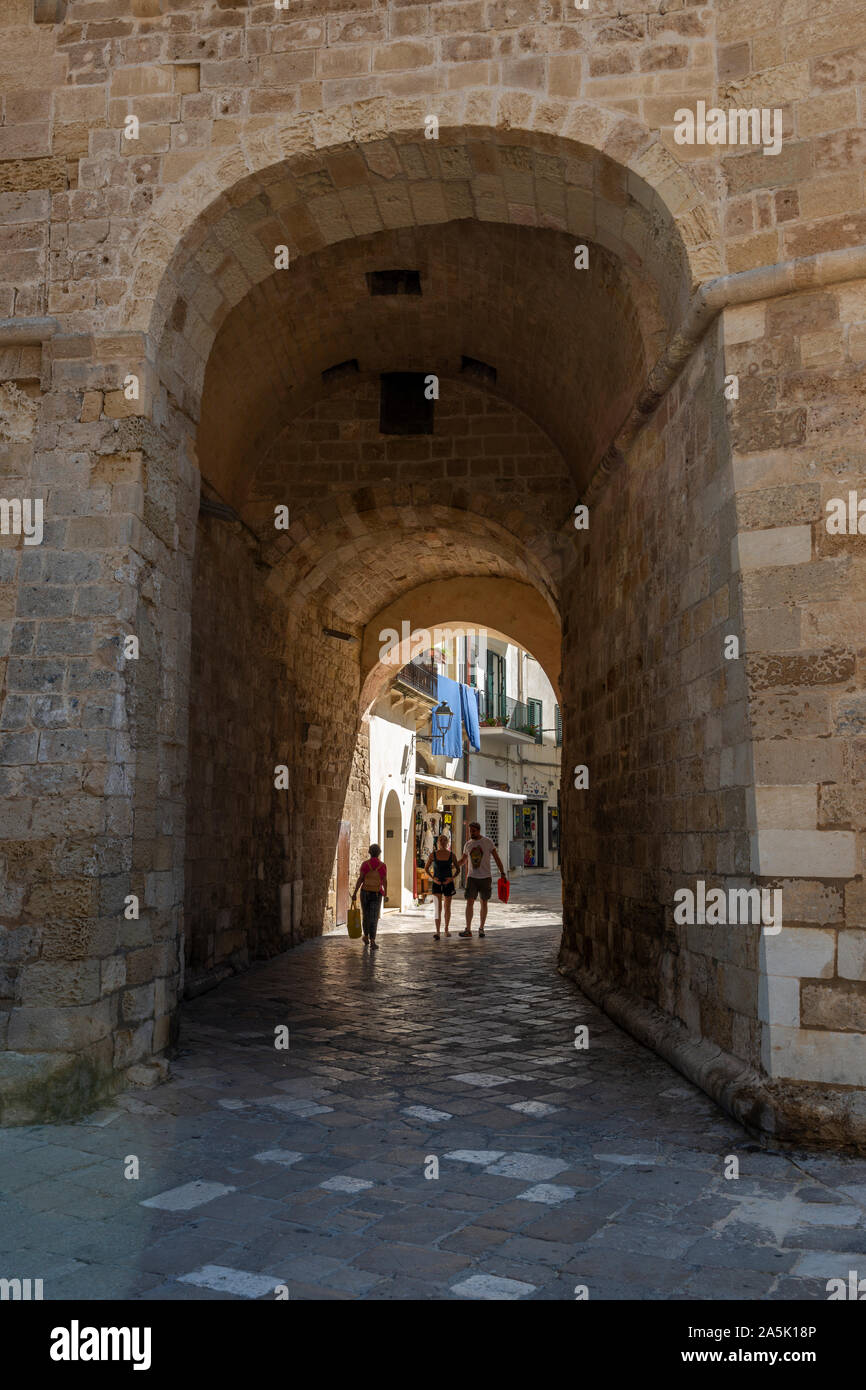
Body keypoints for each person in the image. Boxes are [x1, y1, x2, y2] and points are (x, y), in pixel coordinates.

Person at [456, 821, 506, 939]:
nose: (471, 833)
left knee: (484, 902)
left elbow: (496, 858)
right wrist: (454, 866)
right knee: (469, 902)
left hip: (485, 877)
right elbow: (463, 860)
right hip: (472, 877)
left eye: (473, 831)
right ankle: (468, 929)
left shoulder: (487, 842)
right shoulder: (468, 844)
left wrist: (502, 872)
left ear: (478, 830)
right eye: (470, 831)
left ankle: (481, 928)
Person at [351, 843, 387, 950]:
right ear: (379, 853)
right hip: (377, 893)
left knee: (366, 915)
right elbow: (384, 880)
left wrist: (355, 892)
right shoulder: (383, 866)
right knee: (374, 917)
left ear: (369, 853)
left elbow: (360, 879)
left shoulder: (365, 864)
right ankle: (373, 940)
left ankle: (365, 936)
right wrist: (386, 892)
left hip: (365, 892)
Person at [424, 834, 459, 939]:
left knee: (447, 907)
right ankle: (437, 931)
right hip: (437, 883)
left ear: (447, 842)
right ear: (437, 842)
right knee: (437, 908)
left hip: (448, 883)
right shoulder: (432, 855)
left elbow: (458, 869)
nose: (442, 842)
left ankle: (446, 929)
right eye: (440, 840)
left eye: (444, 840)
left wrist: (451, 878)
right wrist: (433, 878)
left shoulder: (452, 855)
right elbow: (426, 869)